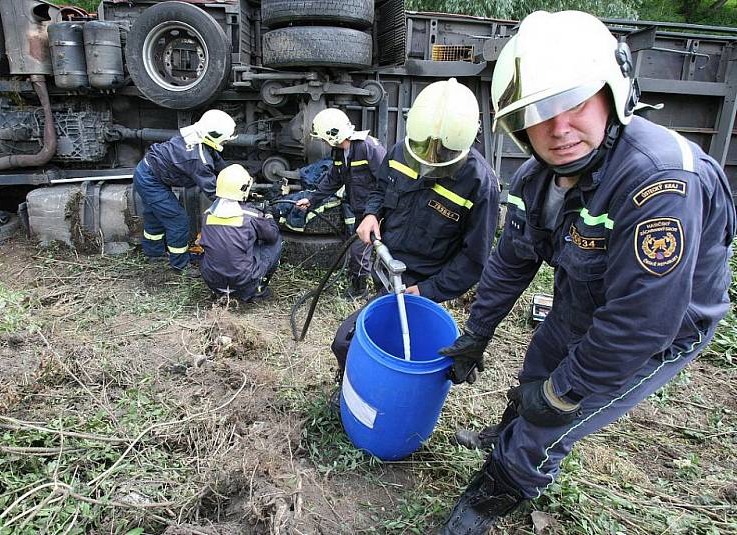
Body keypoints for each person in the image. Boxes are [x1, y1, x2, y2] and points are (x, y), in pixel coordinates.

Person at [439, 11, 736, 535]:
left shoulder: (658, 180)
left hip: (656, 329)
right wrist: (476, 335)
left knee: (548, 423)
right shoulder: (536, 178)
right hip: (585, 297)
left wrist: (560, 395)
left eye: (573, 102)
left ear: (611, 91)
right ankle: (507, 433)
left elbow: (639, 323)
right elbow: (511, 263)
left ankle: (494, 494)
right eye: (537, 113)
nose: (559, 129)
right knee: (536, 370)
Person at [328, 78, 500, 403]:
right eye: (423, 150)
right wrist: (370, 214)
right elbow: (379, 190)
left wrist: (426, 291)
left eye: (443, 154)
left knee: (405, 357)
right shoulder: (400, 152)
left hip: (423, 285)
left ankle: (391, 399)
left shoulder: (480, 184)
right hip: (387, 269)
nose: (430, 159)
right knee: (345, 343)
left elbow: (473, 261)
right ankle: (351, 385)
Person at [295, 108, 387, 298]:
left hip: (377, 212)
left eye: (322, 138)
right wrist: (312, 200)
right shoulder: (340, 152)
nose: (322, 141)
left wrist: (377, 214)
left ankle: (361, 290)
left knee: (359, 251)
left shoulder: (368, 148)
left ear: (333, 135)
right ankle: (363, 284)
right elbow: (333, 180)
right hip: (360, 210)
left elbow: (387, 182)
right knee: (360, 250)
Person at [132, 109, 237, 275]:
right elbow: (213, 192)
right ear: (214, 136)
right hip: (150, 180)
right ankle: (180, 265)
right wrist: (237, 200)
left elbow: (218, 164)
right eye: (224, 140)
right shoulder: (197, 160)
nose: (225, 143)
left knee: (155, 215)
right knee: (178, 220)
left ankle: (153, 253)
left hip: (148, 171)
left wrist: (236, 176)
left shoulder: (198, 136)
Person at [198, 163, 282, 302]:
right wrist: (268, 215)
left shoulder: (207, 215)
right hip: (243, 283)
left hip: (212, 282)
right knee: (276, 241)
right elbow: (272, 235)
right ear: (245, 188)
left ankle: (219, 291)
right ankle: (259, 288)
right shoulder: (251, 216)